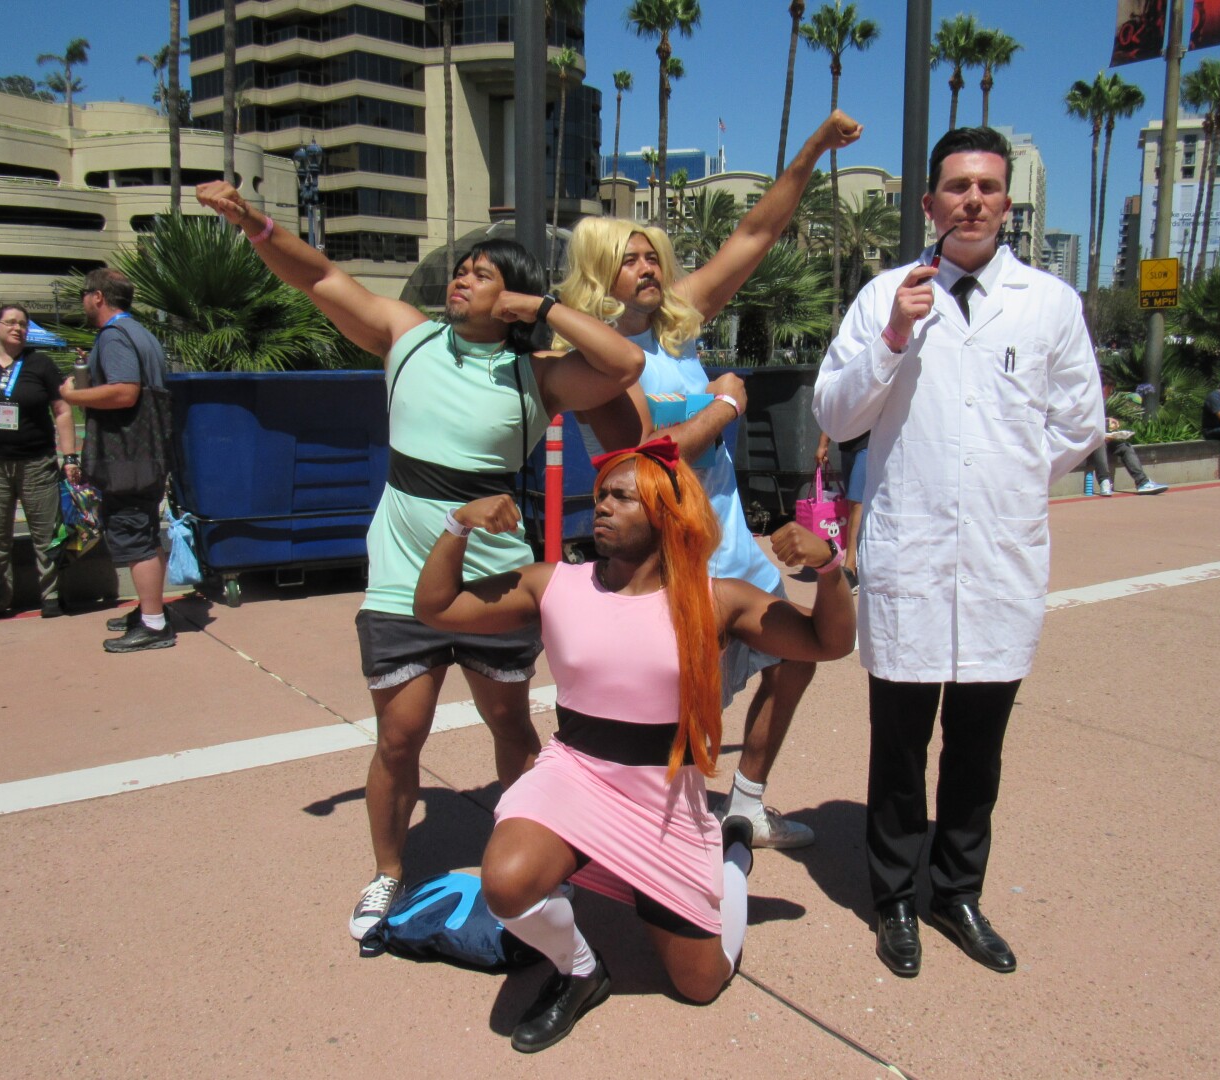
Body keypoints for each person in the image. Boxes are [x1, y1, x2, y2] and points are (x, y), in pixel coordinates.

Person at [195, 181, 645, 941]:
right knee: (399, 737)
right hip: (403, 576)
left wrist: (536, 313)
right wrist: (257, 224)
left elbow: (625, 363)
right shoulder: (406, 338)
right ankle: (388, 875)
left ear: (511, 297)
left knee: (511, 725)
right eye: (459, 269)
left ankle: (528, 859)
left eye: (479, 272)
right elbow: (320, 278)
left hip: (493, 581)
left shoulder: (535, 375)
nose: (459, 278)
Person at [412, 438, 854, 1052]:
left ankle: (733, 857)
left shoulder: (715, 597)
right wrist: (457, 523)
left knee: (702, 984)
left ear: (667, 511)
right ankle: (580, 972)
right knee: (506, 883)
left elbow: (826, 643)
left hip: (664, 797)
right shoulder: (555, 585)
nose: (602, 507)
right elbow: (438, 607)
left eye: (623, 497)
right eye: (600, 496)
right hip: (574, 776)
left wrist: (829, 567)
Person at [812, 127, 1104, 977]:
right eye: (956, 186)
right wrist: (893, 340)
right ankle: (896, 898)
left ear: (1007, 204)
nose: (972, 200)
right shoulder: (886, 295)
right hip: (911, 551)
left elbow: (1079, 423)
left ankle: (957, 891)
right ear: (931, 202)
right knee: (899, 744)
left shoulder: (1048, 302)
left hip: (1000, 557)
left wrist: (1007, 480)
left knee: (978, 744)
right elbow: (835, 415)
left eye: (987, 187)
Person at [558, 108, 863, 850]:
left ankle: (747, 802)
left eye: (651, 256)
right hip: (669, 561)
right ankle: (663, 831)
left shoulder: (678, 324)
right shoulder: (598, 360)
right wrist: (726, 401)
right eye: (631, 260)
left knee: (800, 659)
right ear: (601, 273)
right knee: (682, 707)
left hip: (732, 548)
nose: (649, 268)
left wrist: (815, 147)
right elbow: (649, 453)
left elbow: (754, 235)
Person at [59, 269, 175, 651]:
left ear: (97, 296)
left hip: (126, 454)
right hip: (148, 452)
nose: (82, 301)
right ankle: (150, 611)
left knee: (131, 532)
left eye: (83, 294)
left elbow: (125, 392)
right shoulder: (141, 334)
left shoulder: (113, 336)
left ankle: (154, 625)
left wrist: (73, 397)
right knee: (143, 529)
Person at [0, 304, 81, 618]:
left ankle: (51, 597)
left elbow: (62, 412)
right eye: (10, 322)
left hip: (37, 462)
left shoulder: (41, 364)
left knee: (47, 534)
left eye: (22, 324)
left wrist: (70, 457)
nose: (17, 328)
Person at [1085, 376, 1166, 496]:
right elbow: (1082, 424)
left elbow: (1098, 422)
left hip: (1100, 437)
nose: (1110, 393)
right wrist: (1102, 431)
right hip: (1087, 440)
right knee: (1099, 441)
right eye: (1109, 389)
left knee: (1125, 446)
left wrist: (1108, 423)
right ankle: (1104, 481)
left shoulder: (1100, 402)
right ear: (1102, 387)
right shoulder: (1086, 401)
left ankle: (1142, 482)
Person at [814, 430, 868, 589]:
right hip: (847, 445)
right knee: (852, 503)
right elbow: (834, 408)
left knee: (856, 502)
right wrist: (823, 443)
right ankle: (856, 562)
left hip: (869, 444)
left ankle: (850, 566)